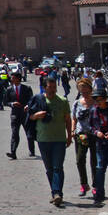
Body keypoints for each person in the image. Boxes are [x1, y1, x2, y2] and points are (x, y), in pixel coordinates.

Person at [28, 76, 69, 207]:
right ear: (44, 87)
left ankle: (57, 193)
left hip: (59, 139)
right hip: (43, 139)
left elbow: (68, 119)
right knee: (49, 169)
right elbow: (30, 116)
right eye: (49, 87)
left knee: (58, 167)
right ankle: (54, 193)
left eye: (54, 87)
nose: (52, 90)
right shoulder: (38, 100)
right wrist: (36, 116)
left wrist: (70, 136)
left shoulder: (63, 101)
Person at [71, 82, 95, 198]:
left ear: (91, 89)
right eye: (82, 91)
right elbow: (74, 119)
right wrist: (72, 131)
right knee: (80, 160)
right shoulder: (76, 103)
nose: (84, 93)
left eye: (86, 91)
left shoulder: (96, 103)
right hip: (81, 136)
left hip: (95, 135)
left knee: (95, 162)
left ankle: (96, 186)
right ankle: (84, 184)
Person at [5, 71, 36, 160]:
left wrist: (28, 106)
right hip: (15, 114)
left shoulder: (27, 88)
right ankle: (13, 152)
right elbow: (5, 102)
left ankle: (31, 150)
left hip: (25, 114)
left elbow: (31, 100)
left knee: (28, 132)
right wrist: (12, 103)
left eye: (13, 78)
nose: (11, 79)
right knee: (15, 133)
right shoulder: (9, 89)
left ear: (18, 79)